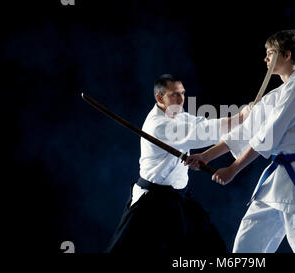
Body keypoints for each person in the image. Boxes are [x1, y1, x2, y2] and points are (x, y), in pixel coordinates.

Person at [185, 29, 295, 253]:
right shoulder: (278, 94)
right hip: (277, 181)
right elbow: (246, 130)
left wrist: (233, 168)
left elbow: (266, 137)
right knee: (247, 246)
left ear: (287, 55)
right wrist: (205, 156)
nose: (266, 58)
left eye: (270, 53)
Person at [106, 74, 249, 254]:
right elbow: (201, 133)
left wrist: (240, 120)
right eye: (175, 94)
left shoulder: (178, 115)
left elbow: (203, 123)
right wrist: (240, 118)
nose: (181, 99)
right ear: (160, 97)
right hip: (151, 202)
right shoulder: (157, 125)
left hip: (178, 199)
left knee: (213, 247)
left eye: (182, 93)